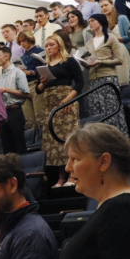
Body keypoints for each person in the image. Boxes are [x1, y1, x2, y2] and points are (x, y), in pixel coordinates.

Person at [37, 123, 130, 259]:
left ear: (104, 162)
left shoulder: (122, 212)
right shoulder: (114, 208)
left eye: (75, 159)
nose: (68, 168)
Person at [36, 34, 83, 188]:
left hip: (66, 100)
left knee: (68, 138)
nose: (49, 48)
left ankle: (73, 175)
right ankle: (61, 178)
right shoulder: (46, 65)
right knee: (54, 141)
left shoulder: (68, 60)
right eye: (47, 46)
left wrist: (69, 99)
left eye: (52, 45)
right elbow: (38, 90)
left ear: (59, 45)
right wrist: (43, 82)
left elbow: (79, 83)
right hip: (50, 102)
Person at [83, 14, 129, 135]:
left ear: (101, 22)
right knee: (97, 112)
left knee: (112, 110)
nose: (90, 23)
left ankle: (118, 138)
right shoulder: (89, 42)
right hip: (93, 79)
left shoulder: (111, 38)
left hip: (108, 78)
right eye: (89, 21)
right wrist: (83, 62)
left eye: (93, 20)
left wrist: (101, 61)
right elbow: (88, 62)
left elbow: (120, 60)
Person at [0, 47, 30, 155]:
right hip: (3, 112)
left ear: (6, 56)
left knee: (19, 146)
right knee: (6, 147)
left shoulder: (18, 73)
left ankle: (22, 170)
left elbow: (26, 94)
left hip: (15, 111)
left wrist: (6, 90)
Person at [100, 0, 130, 86]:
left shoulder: (121, 18)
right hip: (110, 54)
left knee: (123, 80)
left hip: (121, 51)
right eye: (102, 7)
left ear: (112, 4)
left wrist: (117, 39)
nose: (104, 8)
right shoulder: (103, 23)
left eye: (106, 5)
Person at [18, 30, 46, 130]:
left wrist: (30, 72)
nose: (22, 44)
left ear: (30, 39)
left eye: (24, 41)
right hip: (25, 85)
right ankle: (34, 142)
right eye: (20, 42)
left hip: (36, 84)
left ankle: (43, 140)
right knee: (29, 120)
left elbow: (45, 69)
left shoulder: (40, 52)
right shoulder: (22, 56)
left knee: (40, 116)